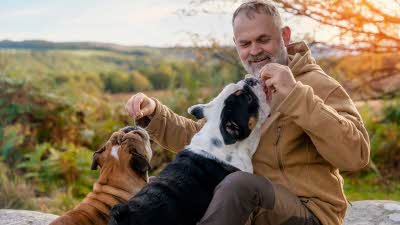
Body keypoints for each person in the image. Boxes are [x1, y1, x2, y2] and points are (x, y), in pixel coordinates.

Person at [125, 1, 370, 225]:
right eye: (245, 43)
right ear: (236, 45)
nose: (254, 51)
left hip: (310, 212)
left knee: (237, 185)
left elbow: (356, 155)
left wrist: (295, 95)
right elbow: (203, 138)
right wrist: (155, 114)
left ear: (284, 36)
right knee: (160, 193)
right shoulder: (249, 90)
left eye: (263, 40)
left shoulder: (319, 86)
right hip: (255, 209)